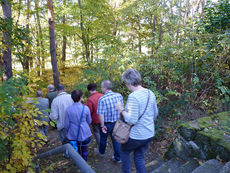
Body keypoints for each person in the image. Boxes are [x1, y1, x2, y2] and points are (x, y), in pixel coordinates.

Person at [116, 69, 158, 173]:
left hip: (137, 136)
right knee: (139, 157)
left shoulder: (133, 96)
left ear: (129, 82)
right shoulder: (150, 93)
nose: (127, 86)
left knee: (124, 152)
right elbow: (155, 114)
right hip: (149, 133)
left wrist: (120, 108)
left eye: (126, 84)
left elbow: (132, 120)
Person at [97, 80, 124, 163]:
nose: (101, 88)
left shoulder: (102, 99)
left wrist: (102, 126)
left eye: (102, 87)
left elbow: (101, 114)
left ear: (105, 88)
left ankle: (101, 153)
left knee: (103, 139)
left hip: (106, 124)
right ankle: (118, 158)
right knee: (116, 140)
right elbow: (121, 109)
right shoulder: (119, 96)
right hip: (117, 122)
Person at [65, 90, 92, 161]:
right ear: (81, 97)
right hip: (84, 132)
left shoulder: (68, 109)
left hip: (73, 132)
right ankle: (84, 161)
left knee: (76, 148)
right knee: (84, 148)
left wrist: (68, 132)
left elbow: (67, 124)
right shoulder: (85, 108)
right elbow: (89, 121)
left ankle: (78, 161)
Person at [86, 83, 104, 150]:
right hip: (104, 118)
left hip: (95, 120)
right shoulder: (102, 95)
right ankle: (103, 146)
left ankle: (100, 148)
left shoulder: (90, 99)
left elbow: (89, 111)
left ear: (89, 90)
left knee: (97, 133)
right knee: (103, 132)